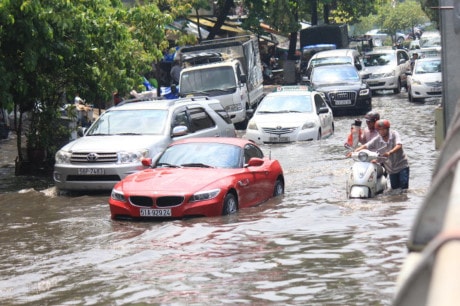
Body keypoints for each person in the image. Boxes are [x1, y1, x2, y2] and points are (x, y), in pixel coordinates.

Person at [353, 119, 410, 190]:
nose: (382, 132)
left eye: (384, 129)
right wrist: (355, 151)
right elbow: (366, 145)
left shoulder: (394, 134)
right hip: (391, 169)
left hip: (402, 165)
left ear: (387, 129)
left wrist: (390, 152)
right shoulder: (377, 139)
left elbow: (399, 145)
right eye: (379, 130)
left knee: (404, 187)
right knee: (395, 189)